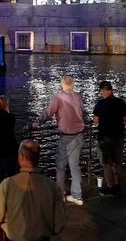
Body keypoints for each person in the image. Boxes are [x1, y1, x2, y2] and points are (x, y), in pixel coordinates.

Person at [0, 140, 65, 241]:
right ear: (38, 158)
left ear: (21, 157)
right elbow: (59, 225)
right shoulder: (52, 186)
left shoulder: (7, 184)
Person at [36, 76, 86, 205]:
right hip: (79, 134)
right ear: (72, 85)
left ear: (62, 85)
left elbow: (48, 113)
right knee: (75, 166)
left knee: (60, 166)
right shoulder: (79, 96)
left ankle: (60, 195)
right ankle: (77, 196)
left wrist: (36, 123)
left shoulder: (58, 97)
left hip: (66, 136)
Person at [92, 80, 126, 195]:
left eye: (102, 91)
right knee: (117, 162)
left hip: (105, 137)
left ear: (103, 90)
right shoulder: (121, 102)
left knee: (107, 163)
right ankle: (118, 185)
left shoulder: (100, 104)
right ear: (112, 90)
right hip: (119, 136)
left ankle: (110, 186)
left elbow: (96, 120)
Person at [0, 95, 20, 180]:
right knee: (12, 173)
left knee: (0, 175)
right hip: (11, 147)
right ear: (6, 105)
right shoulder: (11, 117)